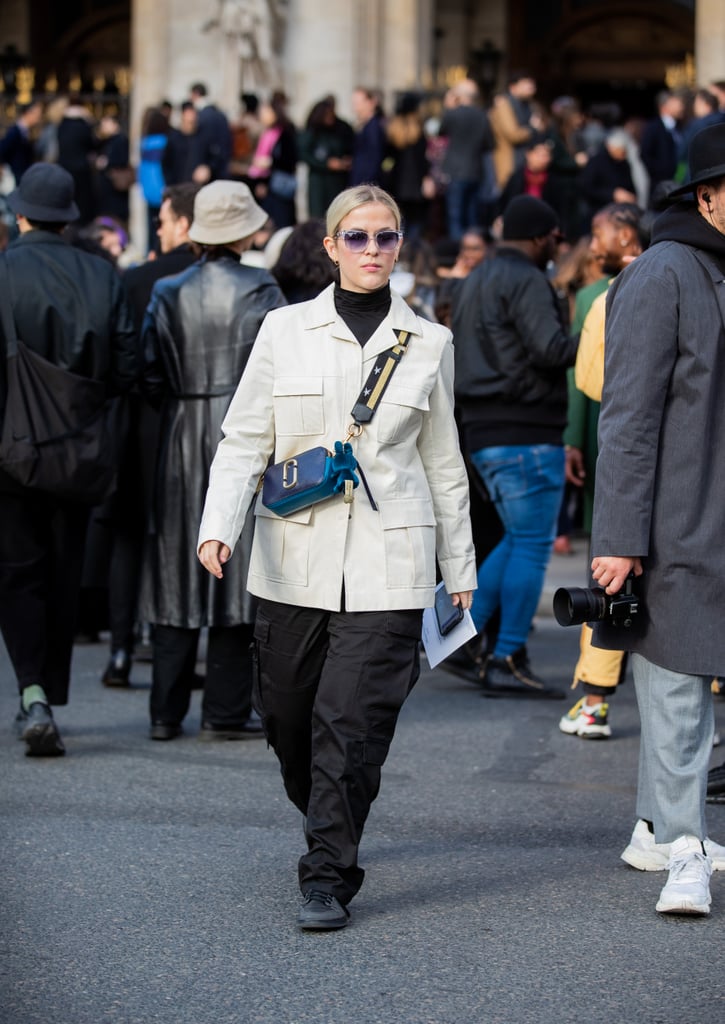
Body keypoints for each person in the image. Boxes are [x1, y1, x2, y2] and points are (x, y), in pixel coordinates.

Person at [197, 183, 476, 930]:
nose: (373, 251)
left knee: (350, 726)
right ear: (329, 246)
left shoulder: (430, 343)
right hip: (293, 557)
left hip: (392, 563)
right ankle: (327, 809)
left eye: (385, 237)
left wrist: (460, 570)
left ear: (399, 245)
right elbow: (246, 440)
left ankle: (326, 872)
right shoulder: (283, 331)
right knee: (289, 717)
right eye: (356, 237)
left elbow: (444, 463)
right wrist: (216, 525)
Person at [589, 123, 725, 915]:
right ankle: (681, 852)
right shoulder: (660, 274)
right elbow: (627, 416)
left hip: (713, 510)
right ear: (705, 196)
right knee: (676, 685)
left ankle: (651, 829)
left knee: (686, 682)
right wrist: (615, 537)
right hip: (674, 519)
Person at [0, 164, 137, 757]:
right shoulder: (104, 276)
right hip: (80, 446)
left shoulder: (4, 271)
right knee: (62, 568)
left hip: (9, 448)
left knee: (19, 572)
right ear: (69, 217)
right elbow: (128, 367)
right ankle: (47, 691)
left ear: (21, 214)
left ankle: (33, 691)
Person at [140, 180, 285, 741]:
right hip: (241, 428)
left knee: (174, 564)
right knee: (235, 566)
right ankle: (224, 710)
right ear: (246, 231)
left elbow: (148, 371)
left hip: (179, 429)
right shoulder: (262, 288)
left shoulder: (167, 289)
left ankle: (163, 713)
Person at [448, 195, 576, 699]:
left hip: (482, 432)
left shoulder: (475, 279)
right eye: (555, 238)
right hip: (525, 430)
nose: (558, 247)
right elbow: (549, 349)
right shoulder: (527, 279)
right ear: (542, 237)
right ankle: (505, 656)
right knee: (530, 542)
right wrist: (595, 333)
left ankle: (463, 639)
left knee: (513, 539)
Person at [558, 202, 646, 739]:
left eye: (599, 232)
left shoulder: (598, 297)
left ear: (626, 234)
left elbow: (586, 382)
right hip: (695, 459)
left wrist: (574, 439)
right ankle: (700, 710)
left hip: (616, 449)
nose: (592, 244)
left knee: (608, 571)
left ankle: (594, 701)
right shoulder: (708, 279)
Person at [438, 79, 494, 241]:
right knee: (472, 216)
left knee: (455, 216)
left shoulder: (453, 114)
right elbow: (489, 144)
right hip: (475, 171)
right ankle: (474, 248)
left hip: (455, 171)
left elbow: (441, 132)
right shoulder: (482, 116)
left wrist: (448, 106)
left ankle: (458, 250)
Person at [299, 96, 354, 219]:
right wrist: (325, 164)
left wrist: (345, 161)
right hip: (318, 182)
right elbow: (304, 154)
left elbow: (349, 146)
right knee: (318, 216)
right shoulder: (312, 132)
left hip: (337, 181)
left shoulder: (341, 128)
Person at [0, 99, 43, 185]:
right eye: (37, 113)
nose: (39, 117)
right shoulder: (14, 132)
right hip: (14, 176)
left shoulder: (27, 132)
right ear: (28, 113)